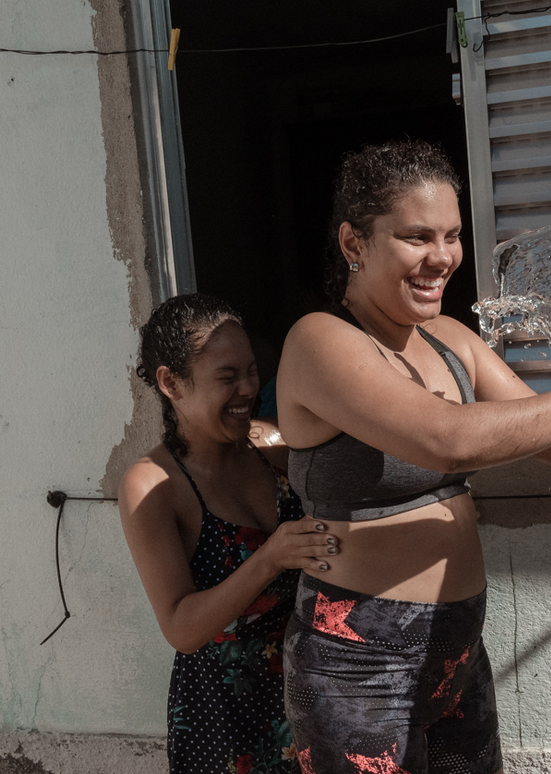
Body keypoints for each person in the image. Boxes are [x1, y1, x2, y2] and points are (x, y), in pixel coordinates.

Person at [276, 139, 551, 774]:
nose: (442, 258)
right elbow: (448, 438)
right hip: (357, 663)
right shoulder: (320, 341)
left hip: (455, 651)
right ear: (353, 244)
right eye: (417, 237)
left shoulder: (451, 339)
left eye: (451, 236)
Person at [119, 293, 341, 774]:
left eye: (251, 371)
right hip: (227, 719)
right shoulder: (152, 485)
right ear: (170, 383)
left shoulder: (272, 446)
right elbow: (181, 628)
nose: (248, 389)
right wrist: (269, 559)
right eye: (227, 377)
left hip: (315, 691)